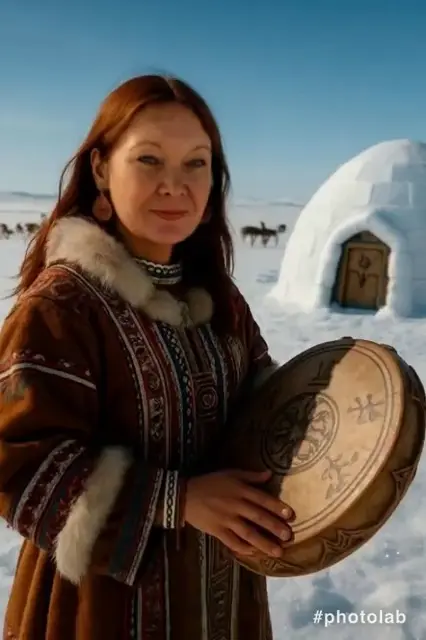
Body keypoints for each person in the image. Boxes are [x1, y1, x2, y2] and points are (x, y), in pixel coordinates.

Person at [0, 74, 295, 640]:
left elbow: (265, 402)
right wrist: (177, 499)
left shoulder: (219, 299)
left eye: (196, 163)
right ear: (100, 169)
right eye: (149, 160)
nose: (174, 185)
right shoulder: (62, 306)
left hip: (226, 594)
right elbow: (17, 463)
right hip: (103, 608)